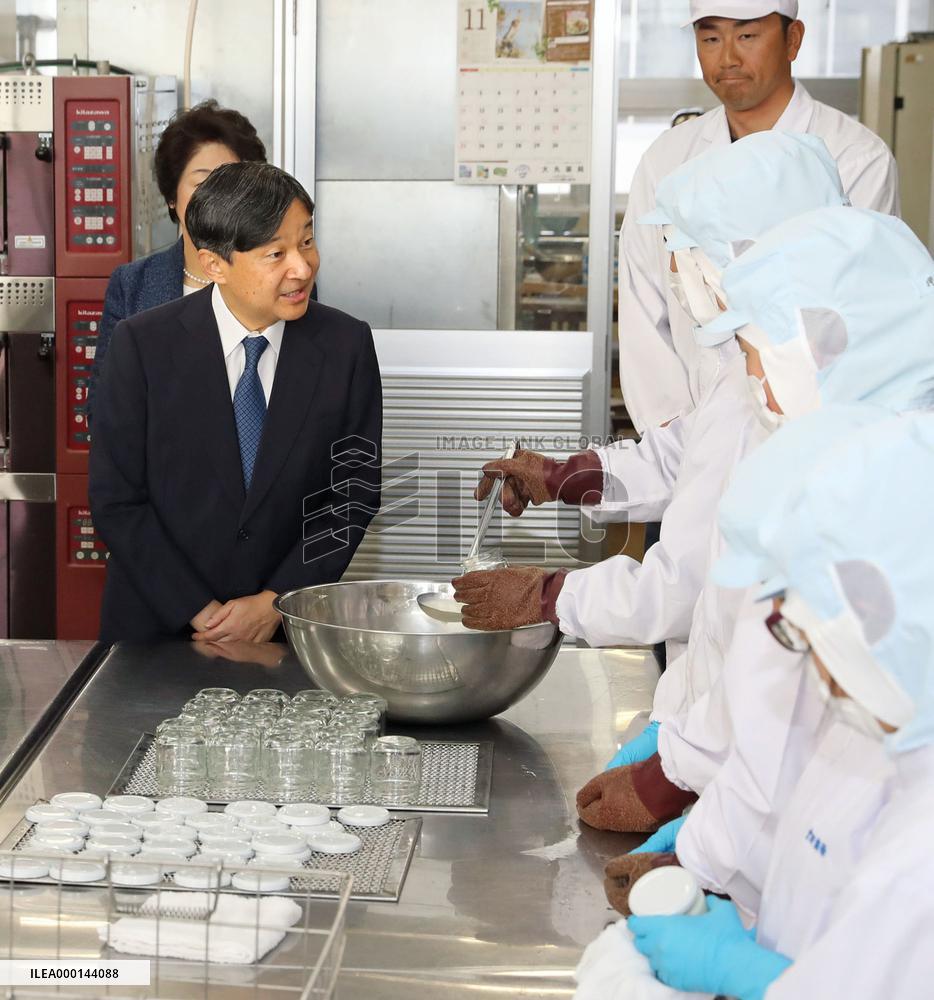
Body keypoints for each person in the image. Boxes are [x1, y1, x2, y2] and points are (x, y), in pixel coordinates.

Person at [587, 207, 934, 899]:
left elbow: (782, 701)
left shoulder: (883, 486)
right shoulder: (815, 444)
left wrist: (694, 822)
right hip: (783, 836)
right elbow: (744, 651)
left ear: (823, 338)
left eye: (755, 357)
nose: (753, 383)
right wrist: (689, 787)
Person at [455, 132, 846, 677]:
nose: (681, 281)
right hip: (721, 696)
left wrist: (547, 597)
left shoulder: (792, 382)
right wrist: (562, 474)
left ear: (745, 253)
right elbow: (685, 454)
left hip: (754, 700)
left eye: (690, 255)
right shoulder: (755, 357)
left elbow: (680, 586)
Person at [617, 412, 934, 1000]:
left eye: (804, 631)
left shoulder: (919, 858)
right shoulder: (881, 724)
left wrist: (761, 981)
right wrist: (705, 837)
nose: (810, 670)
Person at [89, 162, 382, 643]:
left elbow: (352, 493)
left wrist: (276, 601)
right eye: (276, 253)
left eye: (306, 241)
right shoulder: (142, 345)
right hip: (155, 628)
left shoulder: (345, 345)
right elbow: (117, 499)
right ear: (214, 265)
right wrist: (199, 610)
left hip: (288, 631)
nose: (302, 267)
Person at [619, 0, 898, 436]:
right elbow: (642, 313)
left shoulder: (856, 157)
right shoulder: (667, 159)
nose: (727, 56)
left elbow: (856, 318)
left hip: (812, 438)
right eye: (710, 37)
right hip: (692, 439)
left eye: (746, 35)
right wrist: (677, 442)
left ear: (793, 40)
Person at [88, 100, 267, 423]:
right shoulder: (133, 285)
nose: (216, 198)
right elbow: (104, 409)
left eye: (229, 182)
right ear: (172, 196)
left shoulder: (283, 279)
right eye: (201, 183)